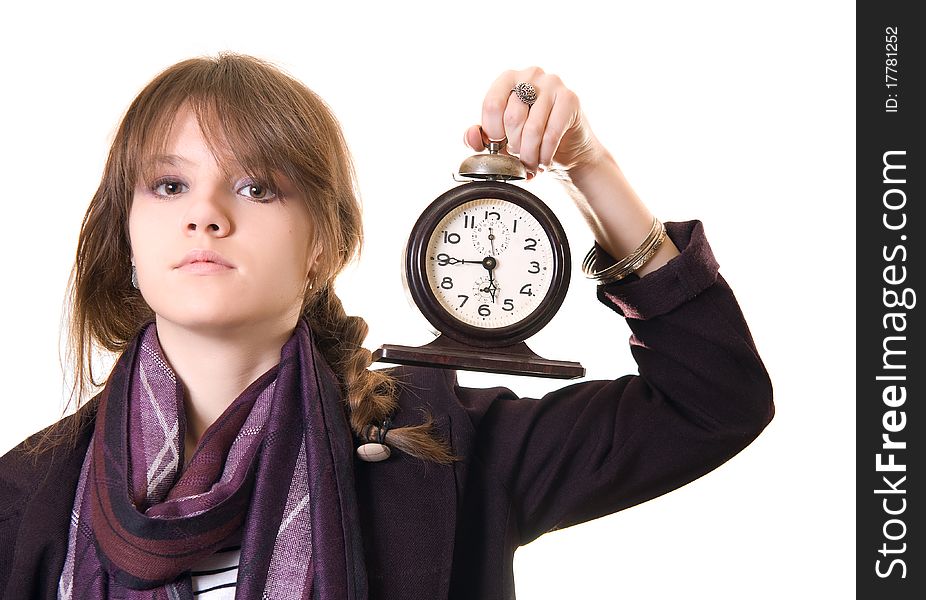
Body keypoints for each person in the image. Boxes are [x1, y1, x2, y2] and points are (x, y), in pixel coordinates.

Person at [0, 53, 773, 600]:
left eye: (257, 186)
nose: (206, 213)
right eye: (169, 184)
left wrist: (587, 166)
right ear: (127, 240)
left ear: (324, 246)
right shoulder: (29, 492)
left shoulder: (444, 448)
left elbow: (712, 402)